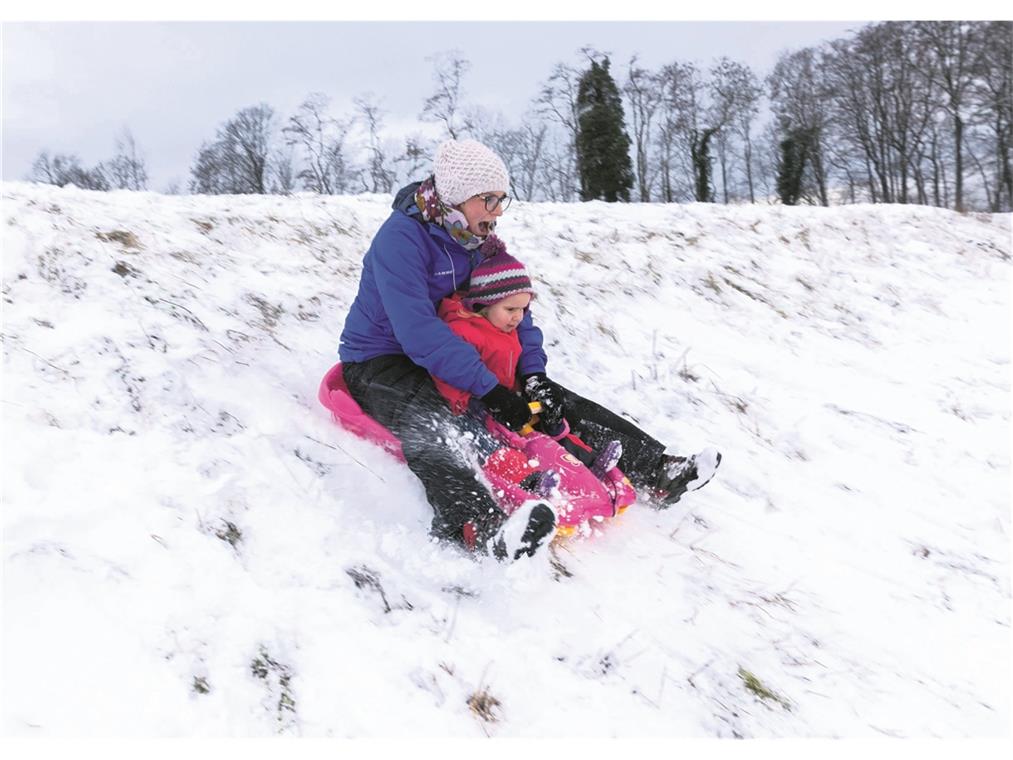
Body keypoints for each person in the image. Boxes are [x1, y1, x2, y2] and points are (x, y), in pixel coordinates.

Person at [336, 138, 720, 562]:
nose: (498, 211)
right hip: (381, 361)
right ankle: (479, 528)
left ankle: (656, 470)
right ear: (456, 197)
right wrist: (488, 388)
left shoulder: (478, 242)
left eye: (502, 199)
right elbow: (417, 331)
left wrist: (532, 374)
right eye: (489, 200)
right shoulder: (401, 240)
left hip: (457, 350)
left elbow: (515, 306)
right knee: (433, 422)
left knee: (550, 402)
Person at [430, 241, 624, 482]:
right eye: (510, 309)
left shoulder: (504, 325)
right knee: (489, 442)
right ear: (483, 303)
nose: (518, 317)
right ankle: (526, 481)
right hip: (471, 408)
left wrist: (528, 387)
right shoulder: (463, 332)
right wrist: (477, 403)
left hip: (507, 399)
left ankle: (588, 463)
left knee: (550, 424)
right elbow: (449, 375)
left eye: (523, 309)